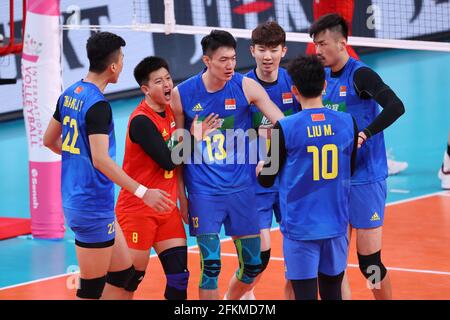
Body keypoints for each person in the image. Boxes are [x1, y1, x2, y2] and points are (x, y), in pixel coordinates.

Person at [43, 32, 174, 300]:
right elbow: (101, 160)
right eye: (122, 59)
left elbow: (49, 140)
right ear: (113, 66)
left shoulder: (69, 94)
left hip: (89, 201)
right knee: (90, 291)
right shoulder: (98, 106)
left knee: (124, 275)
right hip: (90, 205)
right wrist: (143, 192)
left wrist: (78, 158)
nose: (123, 64)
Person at [171, 29, 285, 300]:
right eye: (223, 60)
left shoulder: (246, 87)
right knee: (210, 267)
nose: (230, 65)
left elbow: (284, 124)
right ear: (207, 61)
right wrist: (181, 197)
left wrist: (270, 159)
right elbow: (176, 155)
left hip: (242, 191)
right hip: (204, 193)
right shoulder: (182, 94)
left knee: (253, 265)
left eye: (233, 58)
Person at [309, 13, 405, 299]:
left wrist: (366, 133)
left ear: (342, 43)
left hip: (365, 179)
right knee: (332, 265)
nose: (317, 50)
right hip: (334, 181)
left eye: (323, 44)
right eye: (315, 44)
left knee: (369, 263)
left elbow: (395, 106)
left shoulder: (360, 74)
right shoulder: (321, 78)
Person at [257, 54, 358, 300]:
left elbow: (267, 179)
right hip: (336, 226)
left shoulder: (286, 126)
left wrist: (262, 168)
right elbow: (350, 168)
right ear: (325, 86)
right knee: (333, 292)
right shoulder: (348, 122)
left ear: (294, 90)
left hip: (300, 228)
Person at [240, 21, 299, 300]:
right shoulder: (243, 87)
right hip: (257, 183)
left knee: (297, 251)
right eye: (261, 49)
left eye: (273, 50)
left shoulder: (293, 83)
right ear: (252, 51)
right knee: (260, 255)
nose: (267, 56)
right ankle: (243, 294)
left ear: (283, 51)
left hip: (289, 180)